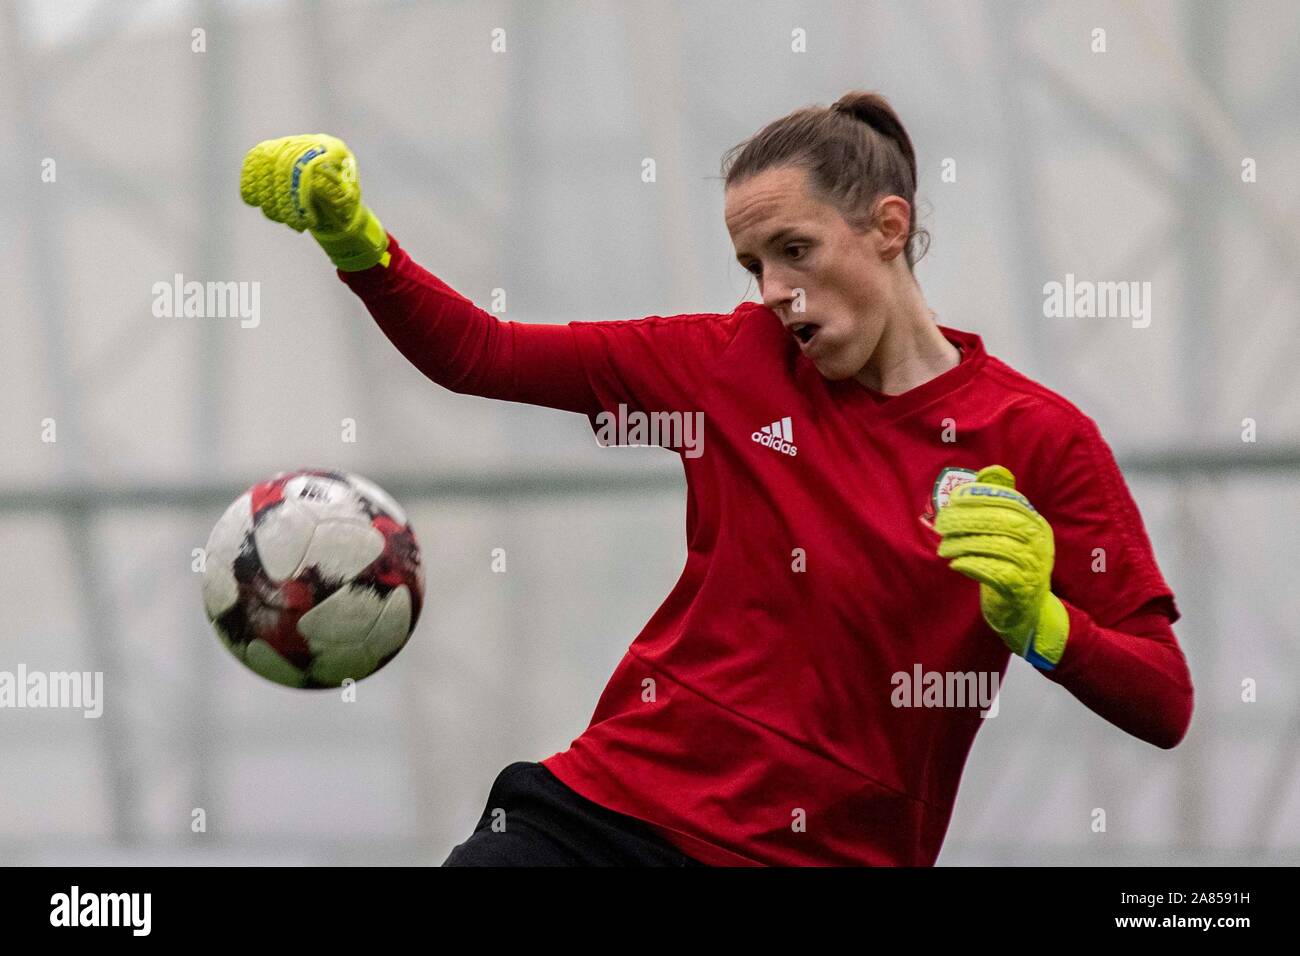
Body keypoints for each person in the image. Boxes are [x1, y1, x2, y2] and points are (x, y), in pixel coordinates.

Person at [240, 91, 1194, 867]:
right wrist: (358, 243)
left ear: (888, 227)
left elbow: (1164, 702)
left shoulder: (1040, 439)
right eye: (753, 264)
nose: (775, 289)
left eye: (795, 250)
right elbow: (481, 355)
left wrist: (1043, 626)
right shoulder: (727, 363)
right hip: (607, 817)